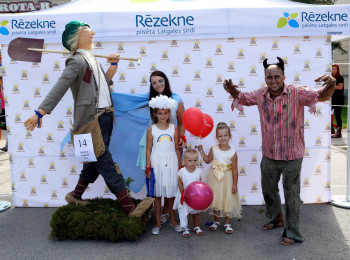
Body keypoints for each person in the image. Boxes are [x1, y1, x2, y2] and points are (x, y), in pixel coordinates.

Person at [23, 20, 154, 218]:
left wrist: (113, 66)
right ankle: (129, 208)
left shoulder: (91, 58)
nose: (92, 32)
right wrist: (41, 111)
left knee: (94, 161)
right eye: (86, 30)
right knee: (106, 162)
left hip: (106, 117)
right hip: (91, 121)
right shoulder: (76, 61)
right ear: (75, 38)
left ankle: (76, 195)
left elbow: (103, 85)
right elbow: (61, 86)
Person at [223, 57, 335, 246]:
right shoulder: (260, 94)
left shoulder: (297, 93)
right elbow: (242, 98)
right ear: (265, 78)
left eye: (277, 76)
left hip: (292, 156)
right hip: (269, 155)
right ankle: (277, 218)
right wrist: (231, 89)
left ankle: (293, 233)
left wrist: (331, 83)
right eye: (269, 77)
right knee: (268, 191)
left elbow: (322, 96)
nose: (273, 80)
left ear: (284, 76)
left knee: (291, 196)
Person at [137, 70, 185, 224]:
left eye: (160, 81)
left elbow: (182, 122)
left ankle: (167, 213)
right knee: (156, 180)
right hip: (154, 144)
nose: (157, 85)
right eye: (154, 82)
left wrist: (182, 138)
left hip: (172, 143)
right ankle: (157, 212)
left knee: (171, 180)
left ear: (166, 81)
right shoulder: (149, 100)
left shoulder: (176, 100)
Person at [145, 95, 182, 235]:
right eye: (160, 113)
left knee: (171, 193)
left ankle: (173, 220)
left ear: (169, 113)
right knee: (157, 194)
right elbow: (148, 149)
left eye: (165, 113)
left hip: (171, 162)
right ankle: (158, 222)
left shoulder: (174, 128)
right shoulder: (151, 129)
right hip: (157, 163)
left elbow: (177, 149)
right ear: (155, 114)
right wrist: (148, 167)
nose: (162, 116)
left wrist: (180, 167)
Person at [197, 122, 242, 234]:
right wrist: (201, 151)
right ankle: (216, 221)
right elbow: (208, 160)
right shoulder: (214, 148)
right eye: (220, 136)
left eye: (225, 135)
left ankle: (227, 223)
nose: (223, 138)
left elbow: (235, 169)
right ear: (217, 137)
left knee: (227, 200)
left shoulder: (233, 153)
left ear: (230, 136)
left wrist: (235, 184)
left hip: (227, 179)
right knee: (216, 199)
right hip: (215, 177)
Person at [173, 149, 203, 238]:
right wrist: (183, 194)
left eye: (195, 160)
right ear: (185, 161)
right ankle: (186, 227)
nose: (192, 163)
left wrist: (199, 194)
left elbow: (200, 184)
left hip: (195, 196)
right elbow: (180, 183)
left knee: (195, 212)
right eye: (190, 161)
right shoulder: (182, 171)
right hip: (185, 196)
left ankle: (196, 226)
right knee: (186, 212)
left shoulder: (199, 171)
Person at [331, 64, 344, 138]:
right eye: (332, 69)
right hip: (332, 99)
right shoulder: (331, 77)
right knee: (327, 114)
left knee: (337, 115)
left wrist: (332, 86)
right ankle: (331, 129)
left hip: (338, 99)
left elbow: (340, 87)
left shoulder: (340, 77)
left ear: (338, 69)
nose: (334, 70)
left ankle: (339, 133)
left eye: (335, 69)